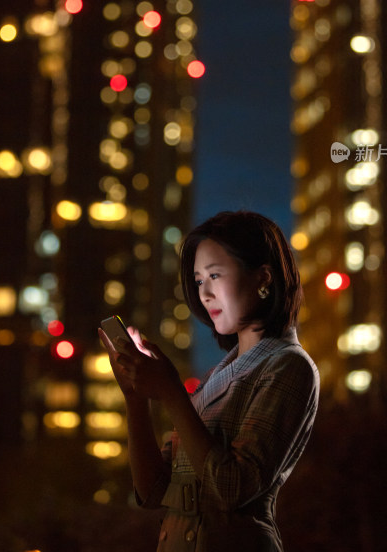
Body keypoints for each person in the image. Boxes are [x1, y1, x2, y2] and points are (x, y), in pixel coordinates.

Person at [99, 210, 319, 552]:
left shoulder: (289, 366)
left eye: (215, 275)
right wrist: (135, 398)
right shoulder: (217, 376)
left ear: (263, 278)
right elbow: (154, 492)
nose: (205, 293)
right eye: (199, 280)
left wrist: (171, 392)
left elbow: (233, 488)